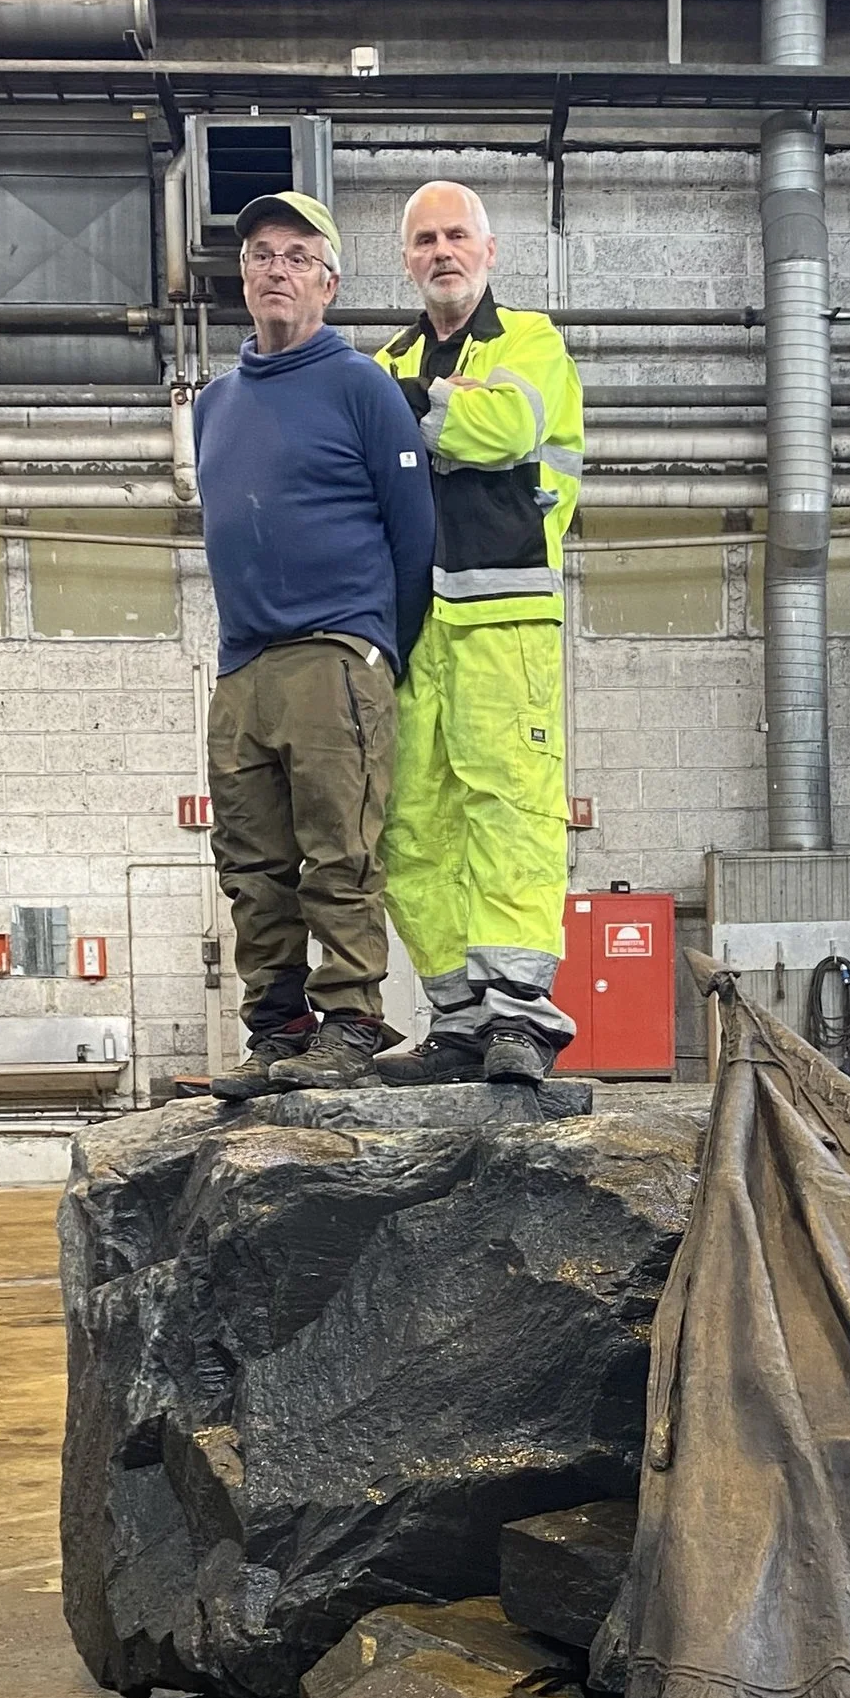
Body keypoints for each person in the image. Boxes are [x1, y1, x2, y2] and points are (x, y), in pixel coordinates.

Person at [193, 189, 436, 1094]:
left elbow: (413, 538)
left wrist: (378, 650)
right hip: (242, 663)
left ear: (328, 282)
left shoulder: (362, 386)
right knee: (252, 864)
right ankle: (278, 1030)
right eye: (260, 253)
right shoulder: (214, 404)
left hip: (336, 651)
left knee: (341, 853)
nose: (275, 269)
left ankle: (350, 1022)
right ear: (244, 278)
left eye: (297, 255)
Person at [372, 181, 586, 1086]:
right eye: (425, 239)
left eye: (457, 235)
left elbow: (504, 425)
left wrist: (422, 413)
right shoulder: (382, 360)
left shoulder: (530, 341)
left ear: (489, 252)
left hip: (504, 616)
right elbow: (376, 455)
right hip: (416, 622)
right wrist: (441, 400)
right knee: (412, 824)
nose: (442, 251)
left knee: (511, 810)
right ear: (408, 259)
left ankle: (520, 1018)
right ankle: (458, 1018)